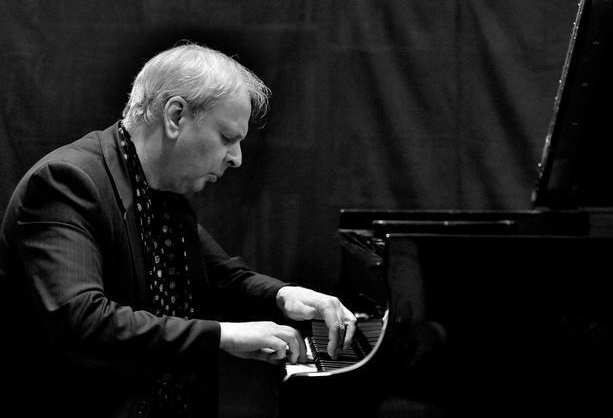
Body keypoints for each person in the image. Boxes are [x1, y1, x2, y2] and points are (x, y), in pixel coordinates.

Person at [0, 43, 357, 418]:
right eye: (227, 138)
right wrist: (224, 335)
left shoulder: (161, 188)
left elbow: (221, 277)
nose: (237, 158)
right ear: (175, 116)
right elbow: (84, 321)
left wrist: (285, 295)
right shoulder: (66, 182)